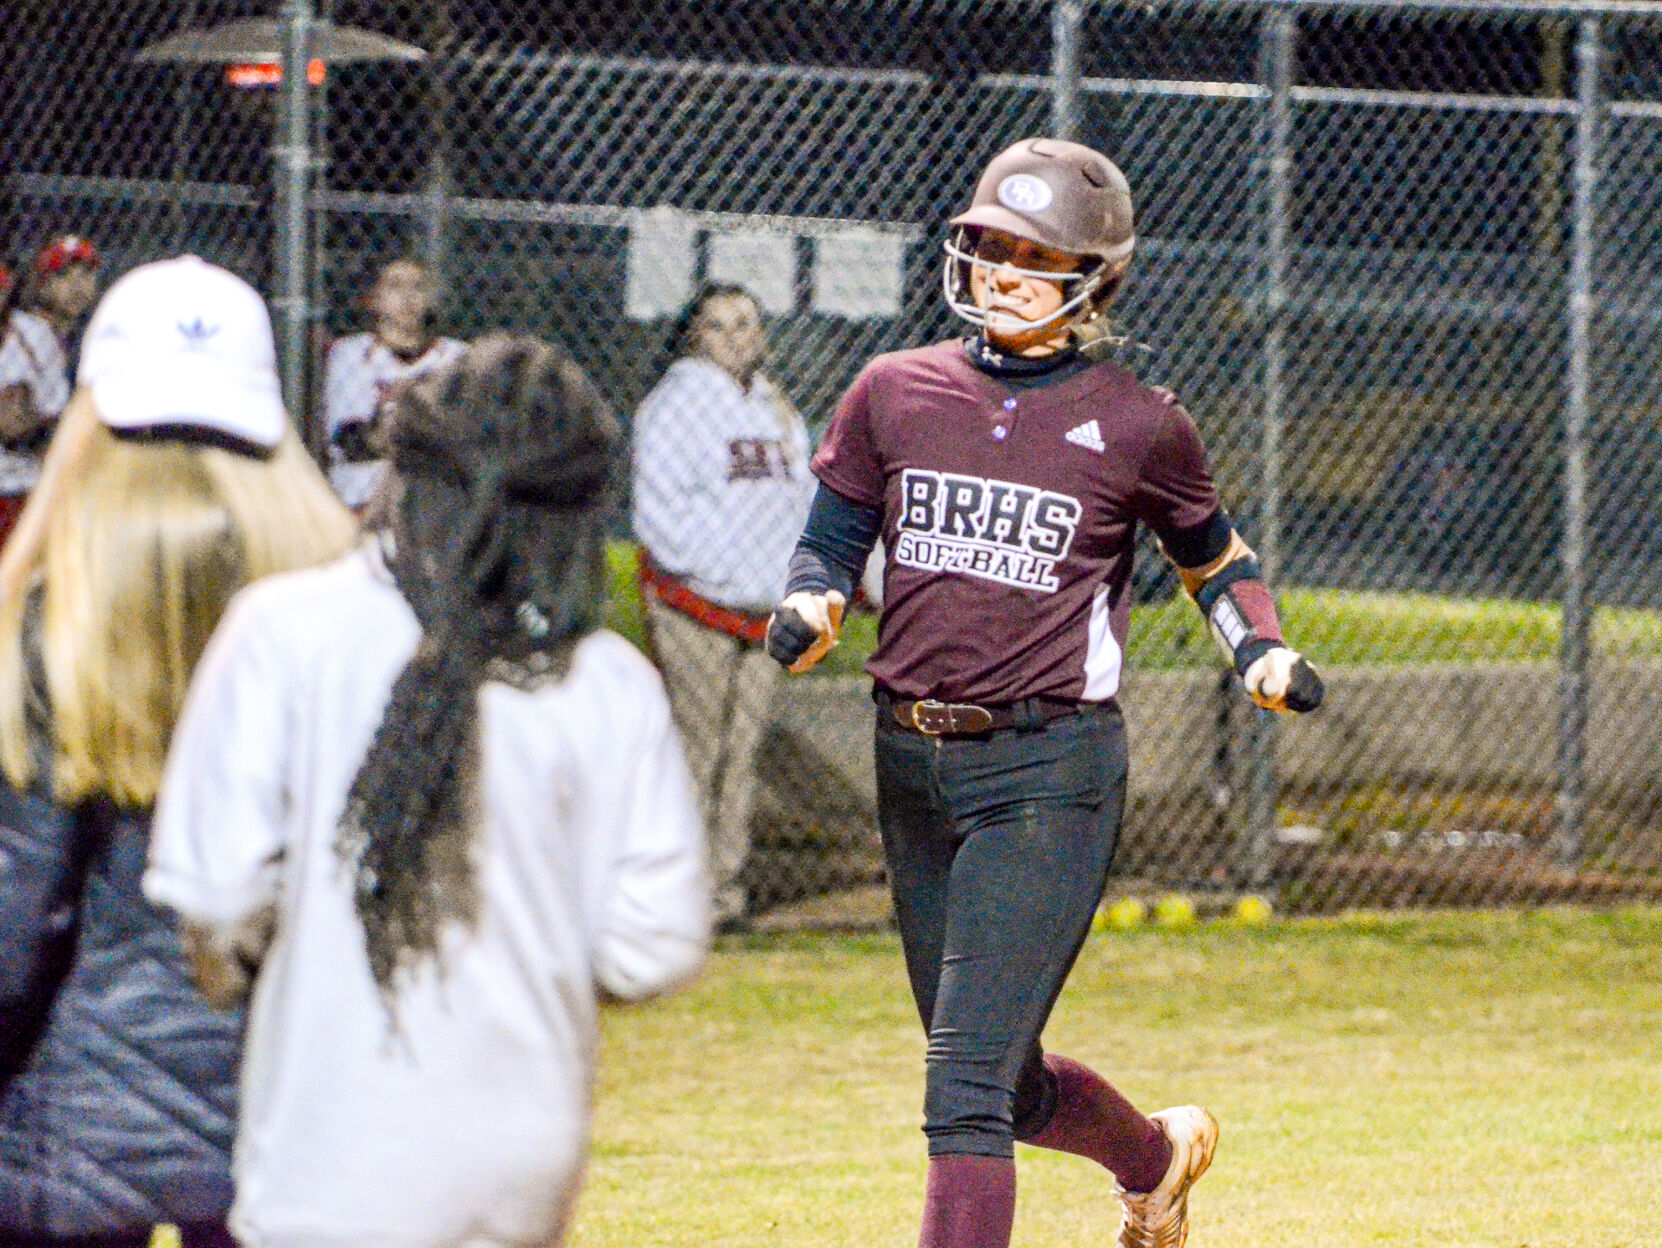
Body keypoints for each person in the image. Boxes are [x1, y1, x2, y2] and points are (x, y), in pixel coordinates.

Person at [764, 137, 1325, 1248]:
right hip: (910, 764)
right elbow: (833, 536)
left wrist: (1256, 646)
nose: (1006, 272)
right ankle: (1157, 1161)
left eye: (1037, 255)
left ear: (1095, 280)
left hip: (1046, 771)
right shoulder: (895, 390)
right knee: (998, 1083)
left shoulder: (1138, 420)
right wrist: (813, 596)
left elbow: (1213, 559)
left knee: (959, 1092)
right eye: (989, 247)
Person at [145, 334, 710, 1248]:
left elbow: (213, 892)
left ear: (400, 474)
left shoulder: (286, 630)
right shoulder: (603, 680)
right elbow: (655, 943)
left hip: (321, 1162)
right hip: (519, 1168)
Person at [0, 255, 359, 1246]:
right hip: (299, 1120)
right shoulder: (354, 619)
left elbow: (14, 929)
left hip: (71, 1128)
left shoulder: (53, 623)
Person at [632, 282, 817, 931]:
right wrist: (720, 575)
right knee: (696, 751)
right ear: (695, 337)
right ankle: (674, 894)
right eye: (719, 326)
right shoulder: (673, 406)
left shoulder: (777, 408)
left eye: (746, 323)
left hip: (766, 608)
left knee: (741, 755)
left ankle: (723, 893)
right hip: (698, 604)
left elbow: (800, 502)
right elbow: (659, 515)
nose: (736, 336)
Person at [321, 257, 467, 509]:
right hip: (362, 503)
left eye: (418, 287)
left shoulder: (456, 357)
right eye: (395, 285)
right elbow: (351, 444)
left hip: (434, 510)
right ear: (374, 298)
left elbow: (465, 445)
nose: (408, 297)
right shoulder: (351, 352)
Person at [0, 236, 97, 548]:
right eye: (63, 275)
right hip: (12, 486)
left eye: (85, 274)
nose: (76, 285)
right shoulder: (26, 333)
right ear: (40, 285)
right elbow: (11, 421)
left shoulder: (78, 338)